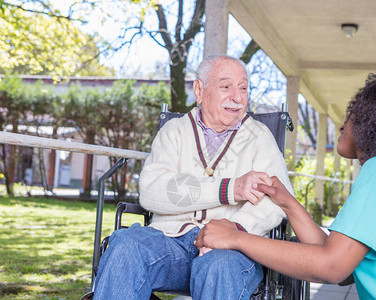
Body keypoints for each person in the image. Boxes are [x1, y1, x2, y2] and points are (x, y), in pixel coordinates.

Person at [195, 71, 376, 299]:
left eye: (350, 115)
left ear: (373, 122)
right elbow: (346, 267)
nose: (341, 124)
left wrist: (236, 238)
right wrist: (289, 205)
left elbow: (332, 267)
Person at [89, 55, 293, 299]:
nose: (237, 97)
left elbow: (277, 200)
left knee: (218, 266)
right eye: (226, 86)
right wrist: (230, 189)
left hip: (232, 251)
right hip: (169, 242)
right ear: (199, 89)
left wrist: (235, 231)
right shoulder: (174, 131)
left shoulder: (260, 137)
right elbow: (152, 190)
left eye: (243, 88)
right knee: (126, 245)